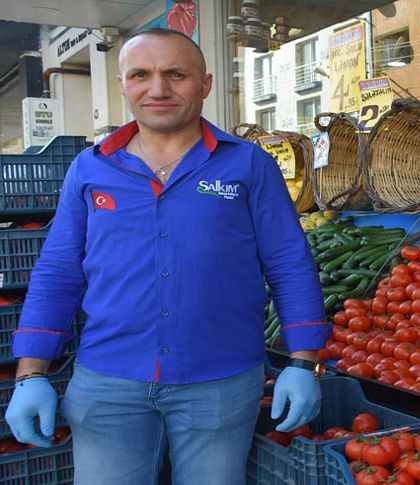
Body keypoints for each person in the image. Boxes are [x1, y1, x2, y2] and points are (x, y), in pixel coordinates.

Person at [4, 28, 330, 485]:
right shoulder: (91, 168)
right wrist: (30, 374)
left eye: (176, 74)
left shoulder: (248, 165)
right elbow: (58, 272)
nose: (158, 89)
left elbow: (289, 263)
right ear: (123, 84)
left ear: (205, 84)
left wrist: (302, 362)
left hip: (221, 382)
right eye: (141, 74)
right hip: (108, 382)